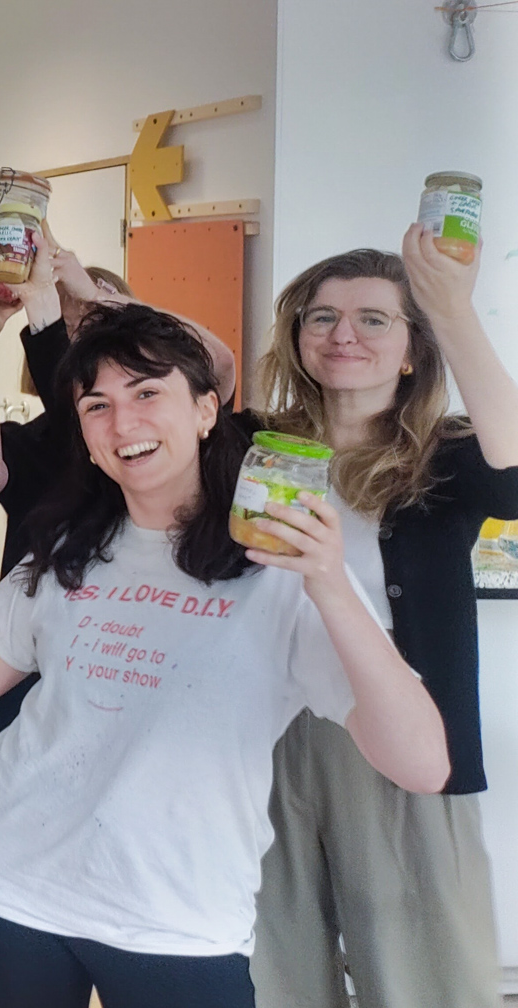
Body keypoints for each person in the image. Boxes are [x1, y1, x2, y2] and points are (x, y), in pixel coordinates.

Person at [0, 304, 448, 1008]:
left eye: (146, 393)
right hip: (12, 885)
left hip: (177, 917)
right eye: (95, 405)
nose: (122, 423)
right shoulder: (71, 546)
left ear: (204, 410)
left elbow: (423, 763)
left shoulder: (280, 566)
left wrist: (330, 586)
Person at [249, 235, 518, 1007]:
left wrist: (452, 306)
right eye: (322, 317)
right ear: (297, 337)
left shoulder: (449, 455)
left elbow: (515, 484)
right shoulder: (255, 443)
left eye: (373, 320)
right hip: (267, 731)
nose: (342, 335)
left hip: (403, 736)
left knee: (423, 974)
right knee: (274, 967)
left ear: (411, 349)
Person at [0, 229, 234, 738]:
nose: (124, 425)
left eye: (144, 391)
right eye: (71, 325)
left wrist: (96, 296)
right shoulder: (41, 441)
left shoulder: (187, 453)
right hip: (27, 663)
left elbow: (218, 364)